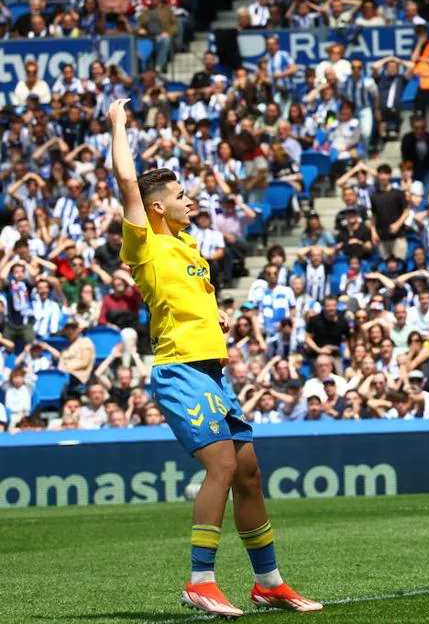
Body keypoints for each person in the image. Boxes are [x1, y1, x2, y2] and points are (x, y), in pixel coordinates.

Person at [107, 99, 321, 616]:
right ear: (157, 206)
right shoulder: (147, 245)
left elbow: (188, 300)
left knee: (247, 472)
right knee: (222, 465)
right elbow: (128, 184)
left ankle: (268, 582)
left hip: (213, 373)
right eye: (180, 194)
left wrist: (216, 316)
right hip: (180, 370)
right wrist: (118, 123)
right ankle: (200, 580)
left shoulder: (189, 248)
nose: (189, 198)